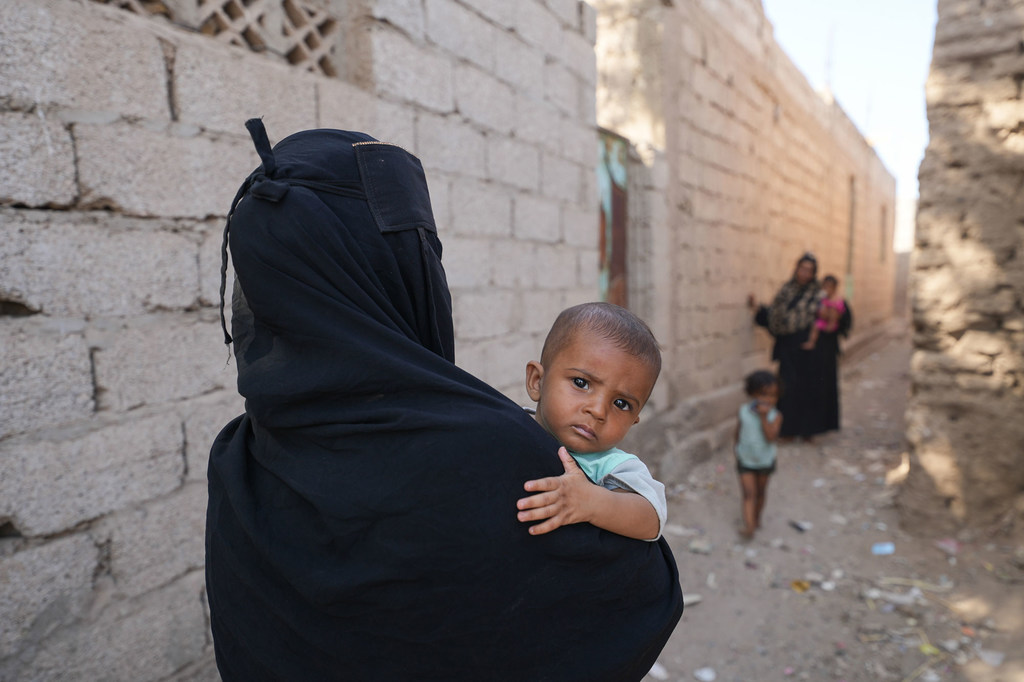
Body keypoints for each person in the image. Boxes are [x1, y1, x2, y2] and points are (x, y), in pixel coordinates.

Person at [205, 119, 683, 681]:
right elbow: (639, 600)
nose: (597, 409)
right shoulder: (490, 452)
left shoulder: (236, 463)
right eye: (421, 251)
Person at [517, 303, 667, 541]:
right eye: (581, 383)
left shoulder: (611, 466)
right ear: (537, 381)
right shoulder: (511, 426)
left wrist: (591, 502)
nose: (598, 411)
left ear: (633, 421)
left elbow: (651, 519)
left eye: (621, 404)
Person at [748, 252, 838, 440]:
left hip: (809, 352)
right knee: (787, 388)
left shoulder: (818, 294)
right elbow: (775, 316)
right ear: (796, 269)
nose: (805, 273)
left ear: (814, 273)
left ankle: (808, 431)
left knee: (809, 390)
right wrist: (757, 308)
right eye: (802, 268)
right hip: (789, 349)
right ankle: (787, 430)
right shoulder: (786, 291)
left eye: (809, 270)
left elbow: (830, 319)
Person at [734, 370, 782, 538]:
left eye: (772, 396)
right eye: (763, 394)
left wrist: (763, 417)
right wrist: (737, 451)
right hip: (745, 459)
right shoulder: (743, 411)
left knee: (760, 493)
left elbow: (771, 437)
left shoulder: (776, 416)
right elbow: (738, 433)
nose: (768, 399)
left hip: (764, 461)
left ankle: (756, 517)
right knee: (749, 494)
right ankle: (749, 526)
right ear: (753, 393)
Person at [802, 274, 846, 350]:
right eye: (825, 286)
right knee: (815, 327)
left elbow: (839, 312)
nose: (827, 289)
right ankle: (811, 342)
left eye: (829, 286)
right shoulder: (822, 298)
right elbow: (820, 310)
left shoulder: (837, 299)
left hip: (832, 328)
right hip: (822, 323)